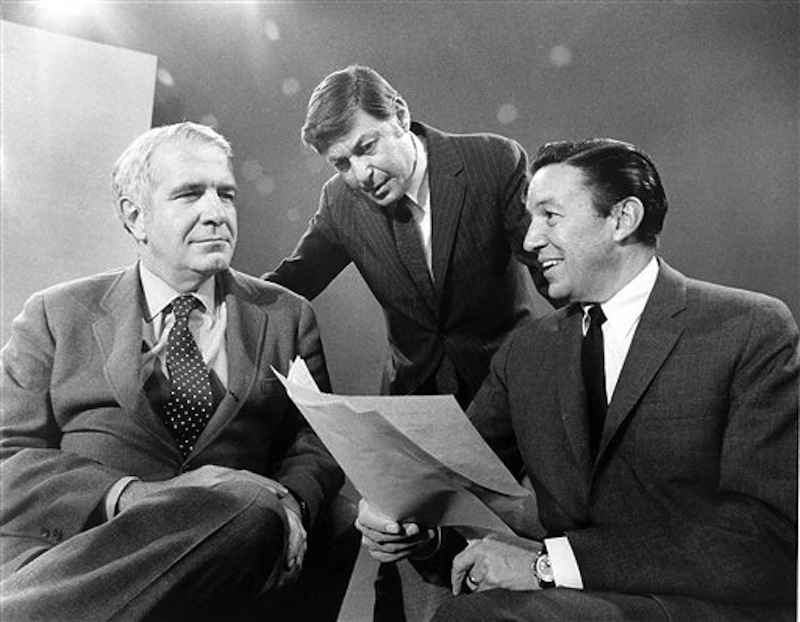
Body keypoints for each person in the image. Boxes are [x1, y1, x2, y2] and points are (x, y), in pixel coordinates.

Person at [358, 138, 798, 621]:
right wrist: (410, 526)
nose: (528, 241)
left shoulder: (750, 327)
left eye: (550, 215)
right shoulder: (527, 351)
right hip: (568, 605)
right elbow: (450, 480)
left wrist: (551, 567)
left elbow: (766, 536)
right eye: (529, 219)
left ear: (622, 219)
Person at [0, 122, 359, 621]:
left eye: (226, 196)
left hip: (227, 556)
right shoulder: (57, 314)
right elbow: (7, 456)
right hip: (83, 551)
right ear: (136, 216)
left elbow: (316, 442)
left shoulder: (286, 316)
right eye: (190, 194)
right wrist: (134, 497)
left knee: (254, 507)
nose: (216, 213)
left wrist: (293, 504)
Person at [264, 64, 551, 620]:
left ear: (398, 115)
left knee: (519, 540)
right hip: (414, 397)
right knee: (404, 555)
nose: (360, 173)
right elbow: (290, 282)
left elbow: (552, 270)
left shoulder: (493, 160)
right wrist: (215, 302)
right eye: (341, 163)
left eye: (366, 147)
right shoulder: (340, 202)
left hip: (511, 387)